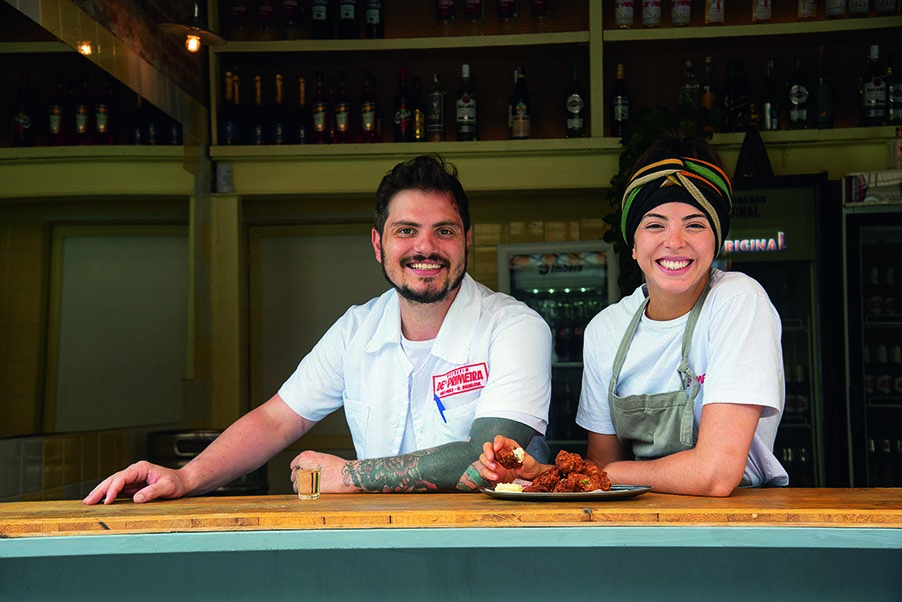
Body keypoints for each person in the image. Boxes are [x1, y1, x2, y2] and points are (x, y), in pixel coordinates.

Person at [84, 154, 552, 504]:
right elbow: (276, 419)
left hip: (491, 544)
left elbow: (488, 458)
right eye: (406, 231)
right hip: (384, 547)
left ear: (467, 240)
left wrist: (349, 476)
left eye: (444, 231)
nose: (424, 247)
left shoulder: (514, 327)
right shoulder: (356, 329)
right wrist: (186, 477)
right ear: (378, 243)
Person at [480, 132, 788, 497]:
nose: (675, 241)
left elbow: (716, 474)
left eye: (695, 224)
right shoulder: (606, 330)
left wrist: (611, 472)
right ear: (633, 244)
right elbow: (599, 475)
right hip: (638, 520)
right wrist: (539, 473)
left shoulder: (738, 301)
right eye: (655, 224)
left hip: (736, 519)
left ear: (716, 240)